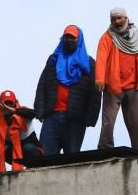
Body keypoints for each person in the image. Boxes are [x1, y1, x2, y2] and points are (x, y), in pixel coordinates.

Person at [34, 25, 101, 155]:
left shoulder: (89, 63)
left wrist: (91, 118)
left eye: (73, 37)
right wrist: (39, 110)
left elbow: (95, 93)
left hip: (75, 119)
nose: (69, 40)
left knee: (71, 159)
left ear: (79, 39)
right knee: (44, 158)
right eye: (66, 37)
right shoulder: (53, 60)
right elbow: (42, 85)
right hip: (52, 117)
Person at [96, 7, 138, 150]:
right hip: (113, 85)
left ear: (126, 18)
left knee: (137, 121)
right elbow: (101, 58)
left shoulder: (134, 34)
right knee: (108, 121)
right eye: (113, 19)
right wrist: (100, 78)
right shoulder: (107, 37)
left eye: (119, 18)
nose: (116, 21)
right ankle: (105, 148)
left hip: (132, 85)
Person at [0, 90, 43, 173]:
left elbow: (34, 113)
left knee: (28, 147)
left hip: (30, 154)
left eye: (10, 103)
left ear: (15, 103)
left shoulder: (22, 113)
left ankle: (32, 173)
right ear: (0, 105)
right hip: (10, 154)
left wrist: (13, 110)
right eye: (5, 103)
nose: (7, 106)